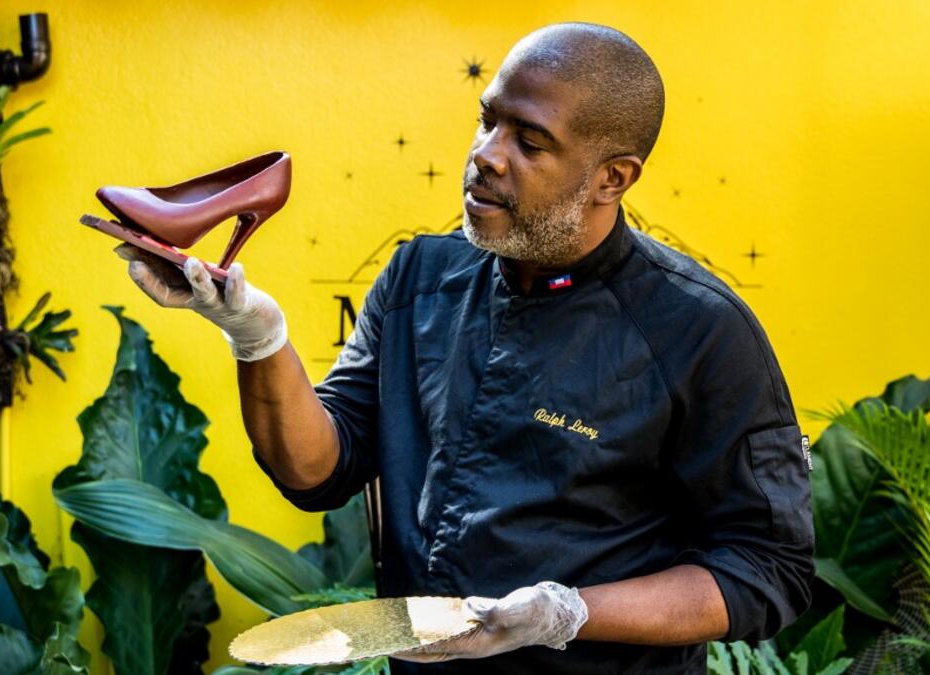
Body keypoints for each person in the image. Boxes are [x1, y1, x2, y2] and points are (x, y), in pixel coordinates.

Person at [117, 21, 813, 674]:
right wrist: (256, 334)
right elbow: (316, 470)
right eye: (487, 120)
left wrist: (565, 612)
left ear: (613, 178)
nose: (486, 155)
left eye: (530, 142)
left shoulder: (700, 331)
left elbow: (766, 568)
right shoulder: (420, 277)